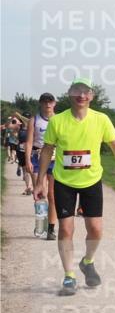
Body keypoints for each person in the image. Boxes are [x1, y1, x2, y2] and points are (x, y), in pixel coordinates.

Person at [33, 77, 115, 296]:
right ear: (69, 94)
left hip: (91, 181)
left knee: (96, 230)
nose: (81, 95)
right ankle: (69, 276)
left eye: (85, 91)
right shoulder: (57, 121)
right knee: (67, 229)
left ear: (91, 96)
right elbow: (46, 150)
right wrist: (40, 179)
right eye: (76, 91)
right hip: (64, 182)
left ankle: (87, 261)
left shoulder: (101, 120)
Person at [25, 93, 58, 239]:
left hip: (55, 158)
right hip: (37, 156)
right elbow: (29, 142)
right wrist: (28, 160)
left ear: (54, 103)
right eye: (45, 102)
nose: (48, 105)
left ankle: (51, 228)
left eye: (50, 102)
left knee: (51, 194)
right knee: (40, 192)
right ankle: (40, 224)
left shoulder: (59, 119)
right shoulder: (34, 120)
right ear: (40, 103)